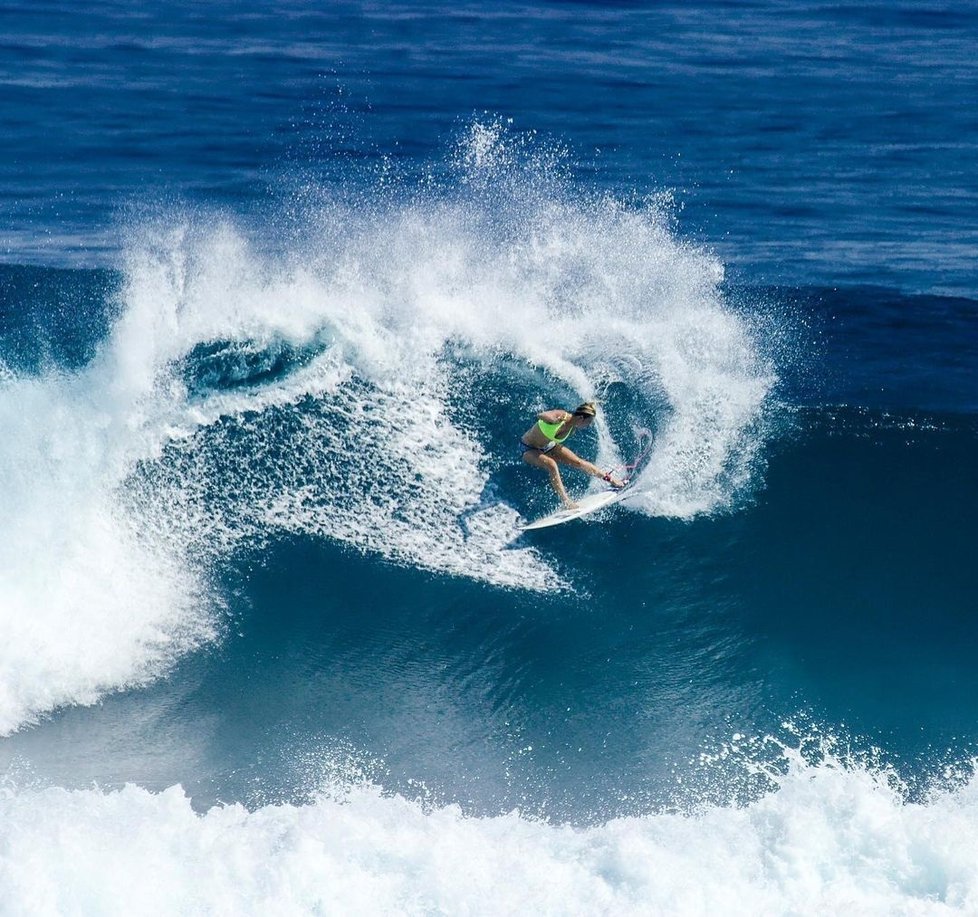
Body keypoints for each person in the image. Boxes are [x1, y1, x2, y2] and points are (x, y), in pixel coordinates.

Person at [520, 402, 625, 508]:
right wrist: (552, 419)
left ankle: (611, 479)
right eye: (588, 423)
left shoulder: (572, 429)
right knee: (552, 465)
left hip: (549, 445)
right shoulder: (560, 415)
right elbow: (540, 415)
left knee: (578, 462)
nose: (587, 426)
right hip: (529, 447)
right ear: (581, 418)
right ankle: (566, 502)